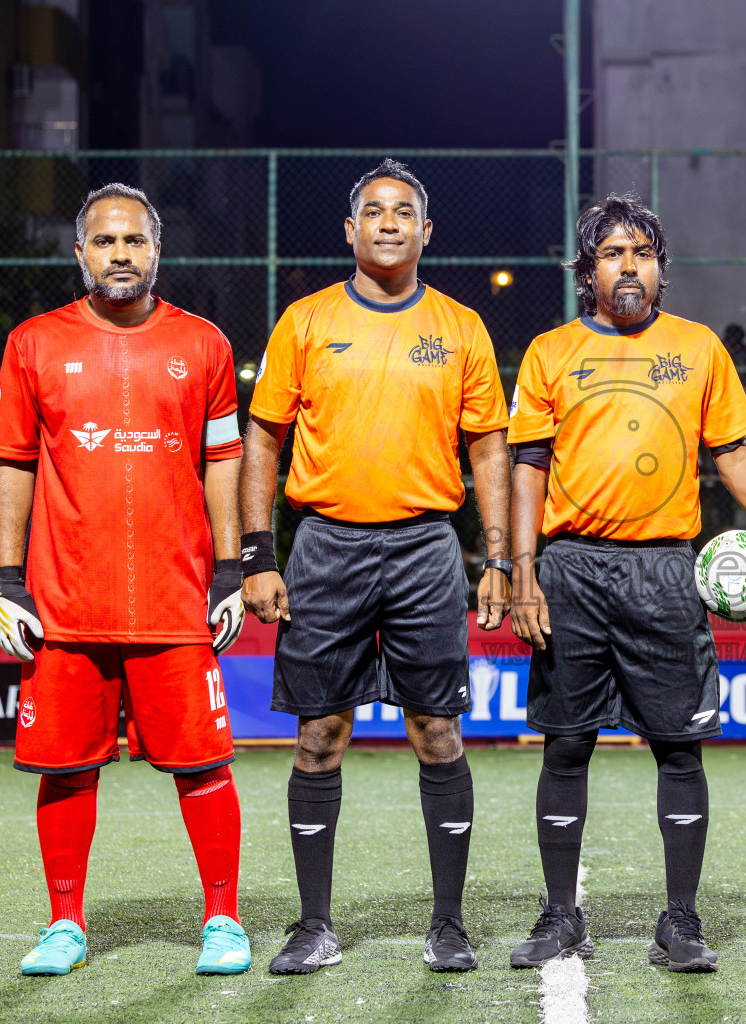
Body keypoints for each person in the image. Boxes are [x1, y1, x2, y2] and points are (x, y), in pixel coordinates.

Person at [241, 160, 512, 975]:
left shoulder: (461, 326)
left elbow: (488, 445)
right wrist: (259, 555)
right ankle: (314, 924)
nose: (388, 223)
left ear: (426, 232)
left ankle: (449, 923)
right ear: (349, 230)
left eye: (404, 213)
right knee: (320, 734)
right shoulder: (306, 321)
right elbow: (263, 440)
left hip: (427, 547)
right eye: (372, 211)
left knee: (437, 730)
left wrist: (498, 556)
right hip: (325, 546)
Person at [0, 183, 250, 977]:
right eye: (105, 241)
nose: (121, 254)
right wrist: (7, 582)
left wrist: (231, 571)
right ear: (80, 253)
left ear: (158, 251)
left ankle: (224, 921)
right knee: (65, 767)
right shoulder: (33, 343)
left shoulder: (205, 344)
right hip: (65, 604)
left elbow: (224, 462)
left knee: (205, 766)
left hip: (175, 602)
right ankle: (65, 924)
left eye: (135, 240)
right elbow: (11, 463)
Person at [506, 194, 746, 972]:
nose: (630, 265)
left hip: (665, 568)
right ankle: (560, 915)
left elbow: (735, 455)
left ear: (660, 267)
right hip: (571, 566)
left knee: (680, 749)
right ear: (587, 271)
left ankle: (680, 922)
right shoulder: (550, 352)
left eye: (643, 252)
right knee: (565, 745)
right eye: (613, 253)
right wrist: (523, 569)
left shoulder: (699, 349)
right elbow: (528, 467)